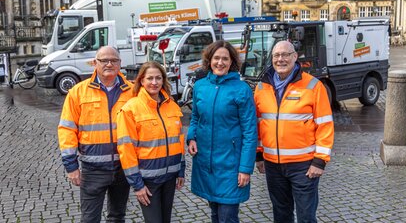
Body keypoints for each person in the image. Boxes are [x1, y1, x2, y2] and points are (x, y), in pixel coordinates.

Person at [254, 40, 334, 223]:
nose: (280, 59)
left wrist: (319, 161)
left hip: (304, 166)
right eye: (276, 55)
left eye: (285, 55)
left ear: (295, 57)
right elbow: (258, 125)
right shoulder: (261, 88)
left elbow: (325, 125)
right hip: (273, 165)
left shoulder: (313, 86)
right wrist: (259, 156)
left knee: (306, 217)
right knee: (281, 215)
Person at [58, 46, 133, 222]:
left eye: (114, 60)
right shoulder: (78, 92)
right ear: (95, 63)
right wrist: (71, 166)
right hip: (93, 169)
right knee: (90, 218)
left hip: (123, 168)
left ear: (120, 64)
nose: (109, 64)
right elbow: (67, 129)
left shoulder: (132, 91)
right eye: (104, 60)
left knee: (117, 217)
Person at [187, 40, 258, 223]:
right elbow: (195, 117)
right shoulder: (201, 86)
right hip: (206, 163)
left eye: (225, 59)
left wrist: (245, 168)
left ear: (232, 62)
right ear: (209, 60)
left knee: (227, 216)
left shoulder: (241, 90)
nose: (220, 62)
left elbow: (250, 132)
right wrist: (191, 137)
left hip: (231, 166)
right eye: (216, 58)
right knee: (215, 213)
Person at [116, 61, 185, 223]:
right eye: (150, 78)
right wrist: (137, 185)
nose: (154, 82)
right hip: (148, 180)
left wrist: (181, 169)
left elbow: (179, 140)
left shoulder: (172, 106)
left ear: (163, 80)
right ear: (141, 81)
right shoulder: (130, 109)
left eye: (158, 78)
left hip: (170, 178)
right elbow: (126, 150)